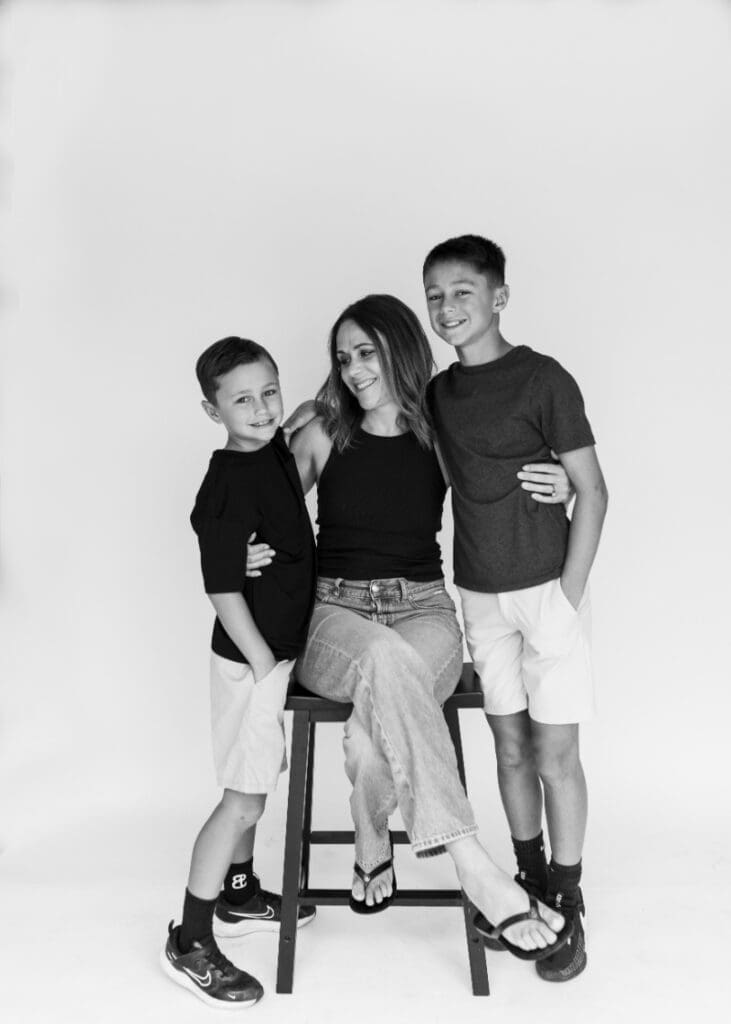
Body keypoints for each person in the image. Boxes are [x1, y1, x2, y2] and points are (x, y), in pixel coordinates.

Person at [249, 296, 575, 960]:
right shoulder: (320, 425)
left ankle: (373, 841)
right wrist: (245, 542)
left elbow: (497, 480)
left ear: (398, 349)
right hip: (333, 617)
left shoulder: (439, 425)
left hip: (425, 610)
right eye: (342, 357)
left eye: (365, 352)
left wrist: (563, 482)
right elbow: (263, 505)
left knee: (370, 742)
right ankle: (471, 862)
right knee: (383, 659)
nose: (353, 369)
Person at [423, 234, 609, 981]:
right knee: (506, 749)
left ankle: (568, 894)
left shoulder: (543, 379)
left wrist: (566, 595)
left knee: (553, 753)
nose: (446, 308)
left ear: (498, 296)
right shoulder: (438, 394)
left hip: (546, 591)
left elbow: (592, 490)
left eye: (462, 292)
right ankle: (526, 880)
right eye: (434, 295)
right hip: (479, 595)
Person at [161, 337, 316, 1010]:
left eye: (268, 393)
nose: (259, 408)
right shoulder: (228, 477)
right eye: (241, 400)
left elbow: (309, 410)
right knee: (243, 796)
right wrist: (261, 661)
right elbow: (221, 586)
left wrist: (307, 406)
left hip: (274, 653)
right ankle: (190, 939)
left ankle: (239, 892)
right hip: (250, 659)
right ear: (211, 409)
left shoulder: (274, 448)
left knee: (256, 779)